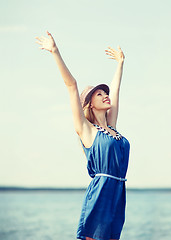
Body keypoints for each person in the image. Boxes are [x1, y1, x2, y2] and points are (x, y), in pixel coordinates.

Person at [35, 31, 130, 240]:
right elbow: (71, 86)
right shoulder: (87, 130)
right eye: (99, 94)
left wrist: (120, 64)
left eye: (105, 93)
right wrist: (55, 52)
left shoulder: (113, 129)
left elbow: (116, 92)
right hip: (100, 195)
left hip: (118, 192)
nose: (105, 96)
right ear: (89, 104)